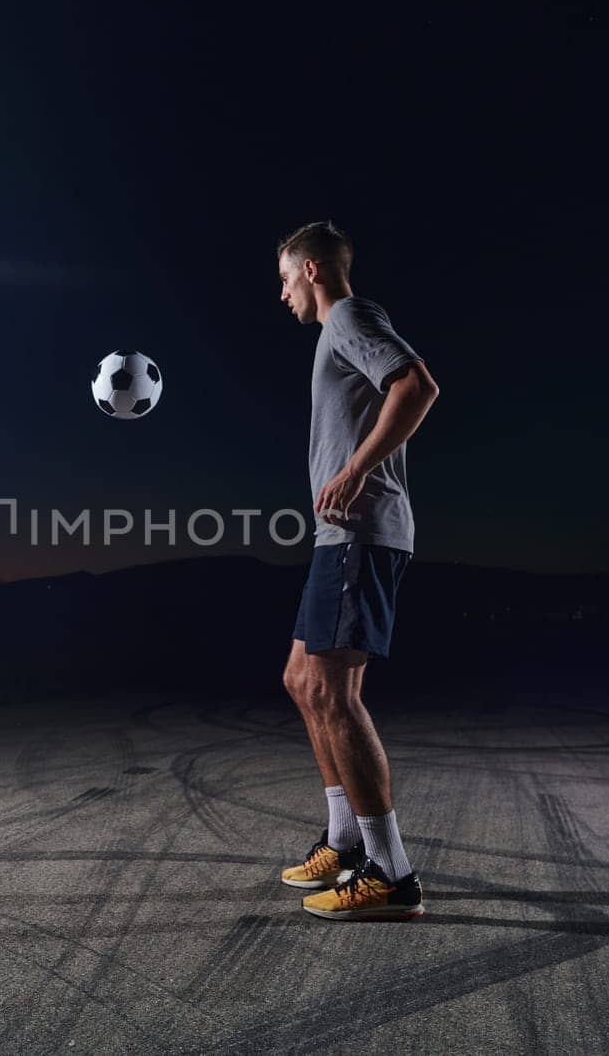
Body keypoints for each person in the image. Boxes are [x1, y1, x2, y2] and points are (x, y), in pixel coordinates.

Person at [274, 220, 440, 920]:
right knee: (301, 680)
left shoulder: (349, 316)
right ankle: (343, 842)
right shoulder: (337, 329)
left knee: (338, 697)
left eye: (284, 278)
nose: (281, 294)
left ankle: (391, 872)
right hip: (337, 536)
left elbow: (418, 386)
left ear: (312, 269)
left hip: (361, 532)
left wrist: (354, 469)